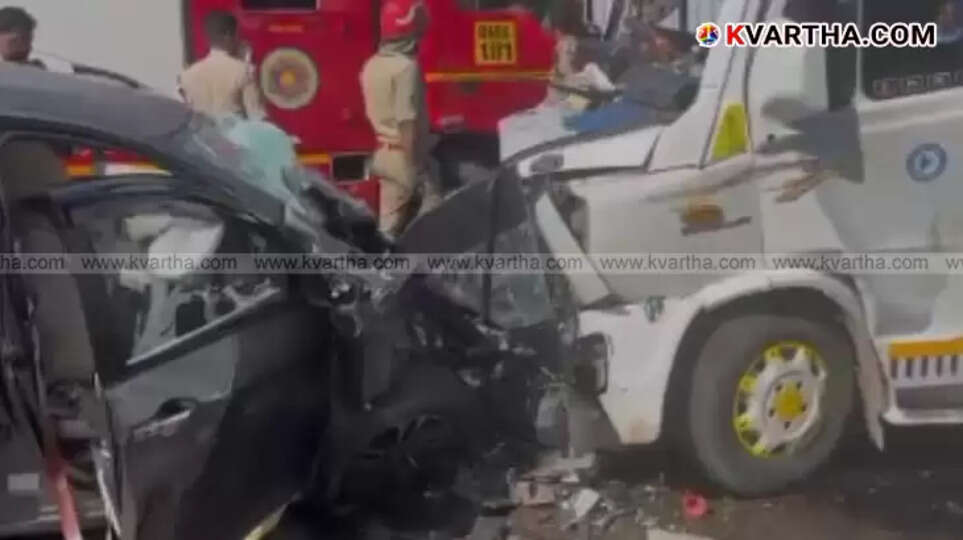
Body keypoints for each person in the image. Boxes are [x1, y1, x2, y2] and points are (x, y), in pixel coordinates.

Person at [360, 0, 442, 238]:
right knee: (434, 216)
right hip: (402, 156)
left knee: (389, 225)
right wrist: (415, 168)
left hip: (382, 152)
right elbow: (407, 121)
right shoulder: (407, 68)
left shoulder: (372, 65)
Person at [179, 11, 265, 120]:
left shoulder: (187, 76)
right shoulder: (244, 71)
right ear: (228, 35)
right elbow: (256, 117)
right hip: (233, 135)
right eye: (236, 35)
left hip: (204, 135)